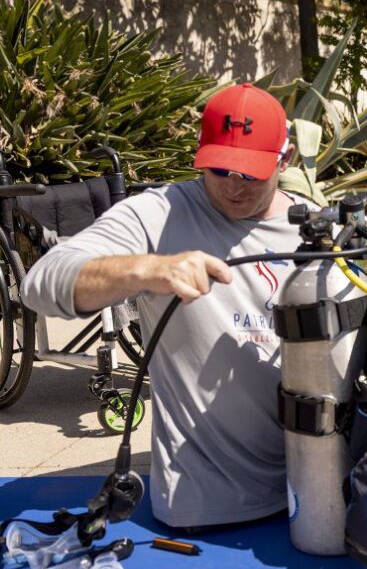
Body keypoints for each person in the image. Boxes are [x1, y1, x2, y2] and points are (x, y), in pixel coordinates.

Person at [21, 83, 307, 530]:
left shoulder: (312, 227)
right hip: (210, 504)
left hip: (319, 488)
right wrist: (148, 269)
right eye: (219, 169)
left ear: (284, 160)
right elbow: (42, 282)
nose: (234, 186)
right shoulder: (160, 213)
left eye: (251, 173)